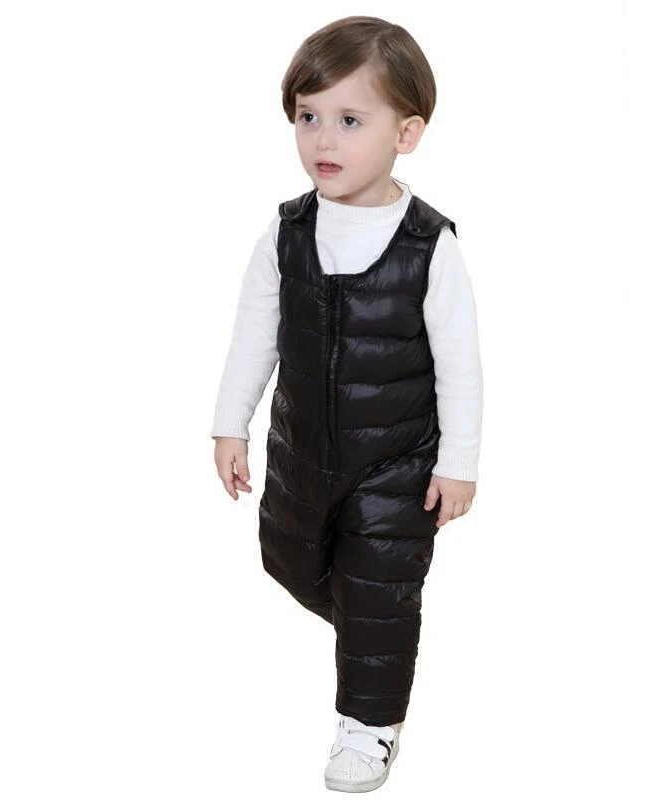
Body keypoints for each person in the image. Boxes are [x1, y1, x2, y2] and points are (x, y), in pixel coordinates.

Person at [211, 15, 483, 793]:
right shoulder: (287, 233)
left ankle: (369, 728)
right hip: (305, 448)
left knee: (376, 592)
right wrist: (231, 424)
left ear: (407, 133)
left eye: (350, 120)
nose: (322, 139)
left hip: (396, 464)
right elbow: (253, 334)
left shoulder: (429, 247)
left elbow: (461, 365)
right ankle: (375, 625)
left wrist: (458, 464)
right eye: (308, 117)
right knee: (289, 561)